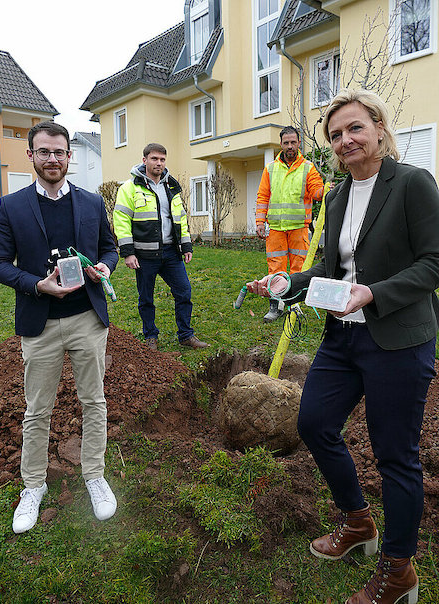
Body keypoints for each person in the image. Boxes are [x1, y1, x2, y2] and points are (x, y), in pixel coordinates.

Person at [247, 89, 439, 604]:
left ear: (378, 127)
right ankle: (357, 522)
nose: (344, 140)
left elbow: (433, 264)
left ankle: (399, 569)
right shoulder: (335, 194)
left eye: (354, 128)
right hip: (343, 337)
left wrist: (373, 293)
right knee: (313, 422)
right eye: (334, 135)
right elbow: (334, 272)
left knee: (395, 455)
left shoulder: (412, 183)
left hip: (396, 338)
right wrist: (290, 283)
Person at [0, 121, 119, 534]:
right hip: (40, 322)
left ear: (70, 156)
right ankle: (33, 486)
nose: (53, 159)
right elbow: (0, 263)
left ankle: (94, 475)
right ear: (30, 156)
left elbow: (109, 247)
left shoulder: (91, 202)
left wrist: (106, 266)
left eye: (60, 152)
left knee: (94, 401)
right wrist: (36, 284)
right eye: (44, 152)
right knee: (37, 409)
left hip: (88, 318)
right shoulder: (11, 207)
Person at [113, 143, 208, 350]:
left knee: (184, 292)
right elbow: (121, 221)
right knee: (146, 298)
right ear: (144, 159)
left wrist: (186, 245)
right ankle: (151, 336)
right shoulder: (129, 188)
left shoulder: (171, 187)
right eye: (154, 159)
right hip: (144, 255)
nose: (159, 163)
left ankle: (185, 335)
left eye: (162, 159)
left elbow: (180, 218)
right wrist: (128, 253)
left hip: (171, 253)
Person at [255, 126, 324, 322]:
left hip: (299, 228)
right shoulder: (270, 169)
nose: (290, 146)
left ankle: (294, 306)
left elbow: (316, 191)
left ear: (299, 143)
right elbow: (263, 197)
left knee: (298, 269)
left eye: (293, 142)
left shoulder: (308, 168)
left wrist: (325, 190)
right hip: (275, 228)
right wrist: (260, 221)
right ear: (281, 144)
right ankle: (276, 306)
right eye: (286, 143)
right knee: (275, 269)